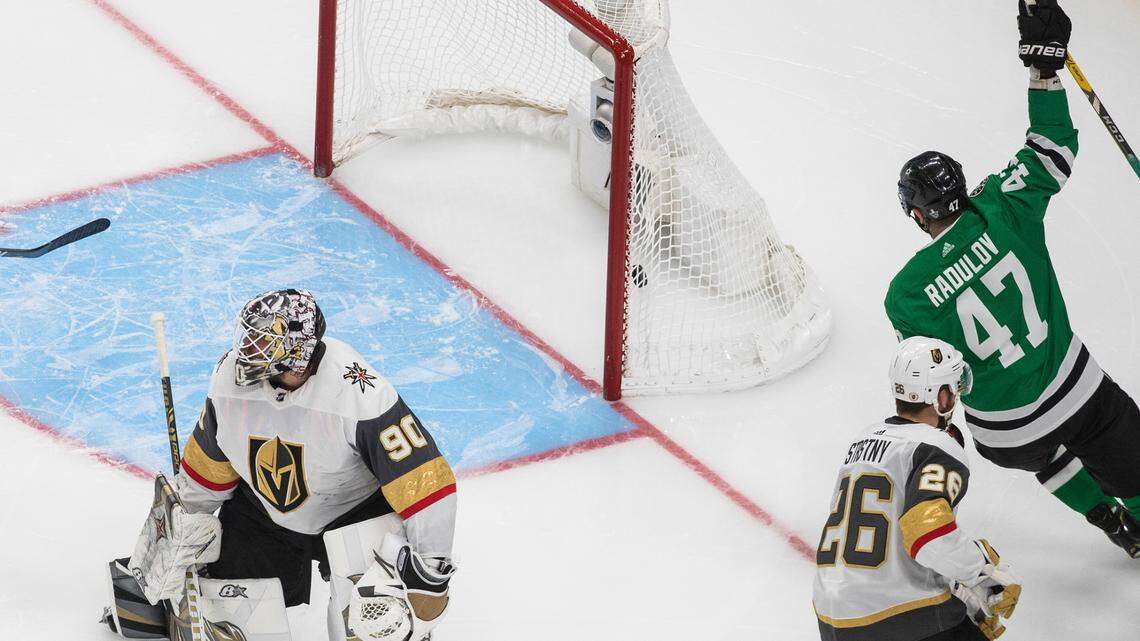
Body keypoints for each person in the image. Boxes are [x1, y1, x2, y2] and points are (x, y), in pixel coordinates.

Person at [884, 0, 1140, 557]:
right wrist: (1043, 69)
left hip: (1003, 433)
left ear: (917, 215)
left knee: (1046, 456)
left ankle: (1107, 519)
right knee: (1130, 460)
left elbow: (935, 375)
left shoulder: (904, 293)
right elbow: (1052, 147)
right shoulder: (1002, 206)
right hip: (1075, 392)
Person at [102, 289, 457, 641]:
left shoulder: (359, 393)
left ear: (299, 351)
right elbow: (207, 469)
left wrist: (431, 567)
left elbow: (426, 484)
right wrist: (178, 543)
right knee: (232, 619)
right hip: (264, 511)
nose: (248, 351)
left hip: (353, 513)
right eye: (249, 338)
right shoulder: (229, 379)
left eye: (264, 343)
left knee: (372, 626)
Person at [814, 337, 1020, 641]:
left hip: (832, 619)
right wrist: (980, 571)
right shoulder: (936, 447)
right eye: (954, 388)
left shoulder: (862, 440)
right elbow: (927, 534)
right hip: (900, 615)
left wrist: (958, 598)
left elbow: (890, 541)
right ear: (942, 397)